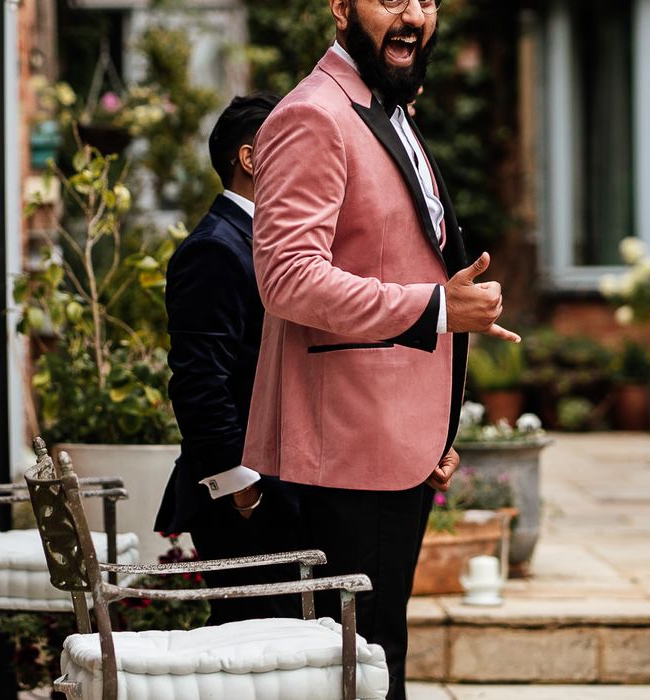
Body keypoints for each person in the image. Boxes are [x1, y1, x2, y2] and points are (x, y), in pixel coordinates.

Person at [241, 1, 521, 698]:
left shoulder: (387, 109)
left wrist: (449, 306)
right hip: (341, 454)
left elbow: (393, 252)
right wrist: (435, 308)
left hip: (391, 446)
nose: (412, 14)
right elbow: (287, 279)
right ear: (340, 7)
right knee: (354, 671)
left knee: (377, 658)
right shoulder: (314, 115)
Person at [154, 92, 302, 625]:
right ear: (251, 158)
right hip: (241, 500)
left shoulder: (270, 240)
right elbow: (198, 384)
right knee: (255, 647)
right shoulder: (215, 248)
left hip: (276, 488)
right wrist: (245, 494)